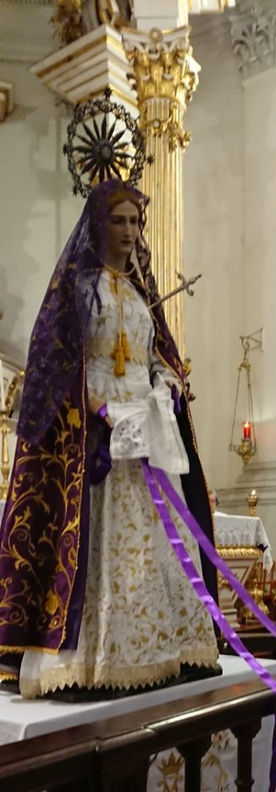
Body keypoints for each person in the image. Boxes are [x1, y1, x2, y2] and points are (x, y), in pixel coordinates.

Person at [0, 179, 219, 698]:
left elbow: (159, 359)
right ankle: (91, 664)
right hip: (94, 440)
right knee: (97, 545)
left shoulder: (143, 295)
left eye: (135, 221)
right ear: (98, 225)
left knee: (160, 545)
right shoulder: (78, 290)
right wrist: (99, 408)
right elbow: (55, 365)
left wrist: (165, 389)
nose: (128, 230)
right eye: (118, 220)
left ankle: (166, 652)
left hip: (142, 434)